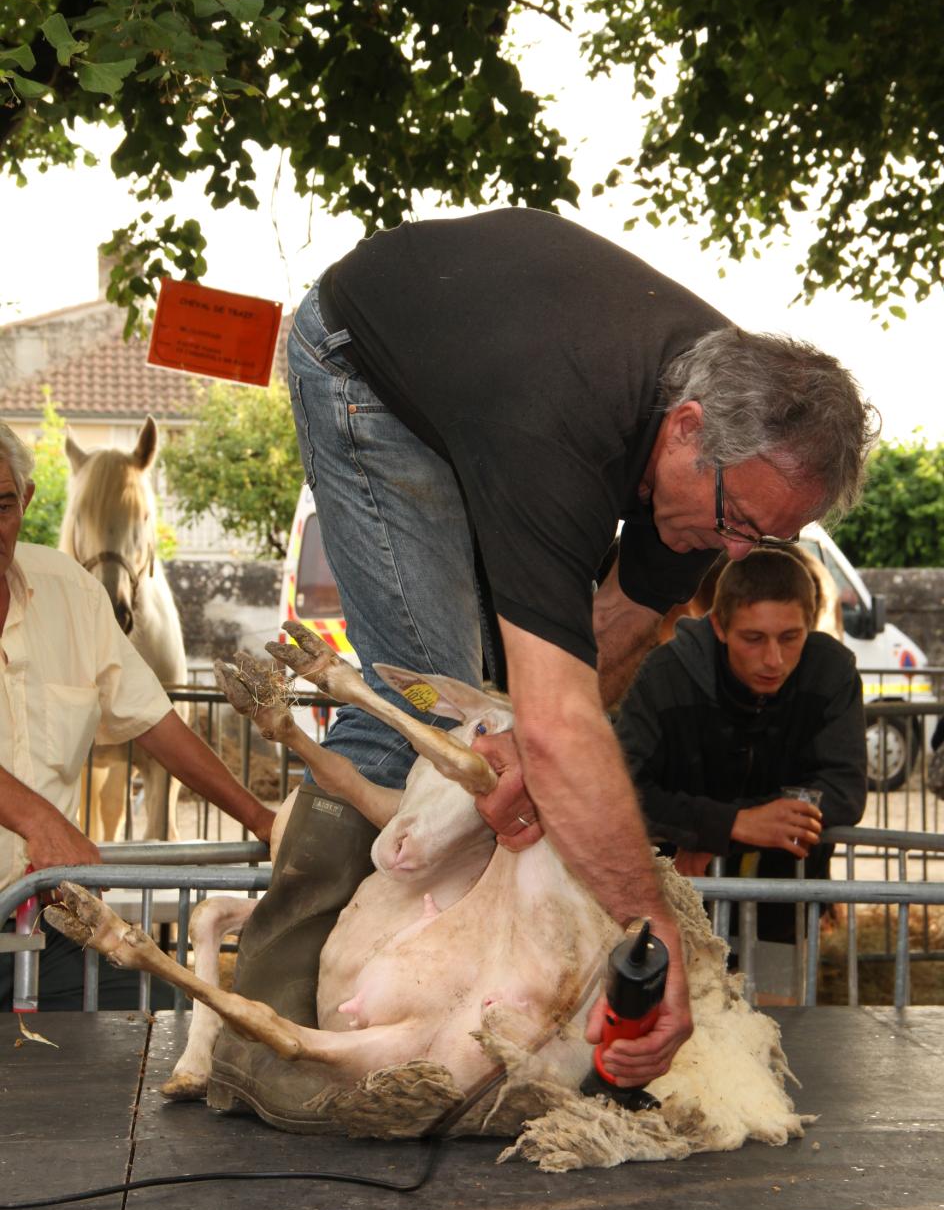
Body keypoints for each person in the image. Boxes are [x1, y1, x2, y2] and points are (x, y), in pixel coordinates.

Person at [211, 208, 877, 1123]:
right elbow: (560, 717)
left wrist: (524, 747)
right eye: (735, 523)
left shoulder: (715, 461)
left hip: (483, 369)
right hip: (360, 354)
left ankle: (403, 1007)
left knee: (488, 724)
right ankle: (260, 1033)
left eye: (764, 537)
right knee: (426, 695)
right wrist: (656, 944)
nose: (733, 549)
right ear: (684, 431)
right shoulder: (560, 433)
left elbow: (622, 627)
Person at [0, 422, 275, 1010]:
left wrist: (263, 819)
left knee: (160, 1020)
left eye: (0, 505)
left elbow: (156, 721)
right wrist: (37, 818)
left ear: (24, 502)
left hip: (46, 929)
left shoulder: (70, 593)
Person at [615, 547, 867, 986]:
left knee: (776, 1033)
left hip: (782, 901)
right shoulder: (662, 675)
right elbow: (621, 792)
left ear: (809, 624)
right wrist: (733, 823)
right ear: (718, 625)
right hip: (671, 904)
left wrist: (722, 829)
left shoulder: (833, 671)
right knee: (682, 1033)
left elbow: (844, 789)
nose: (774, 659)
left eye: (791, 637)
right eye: (754, 638)